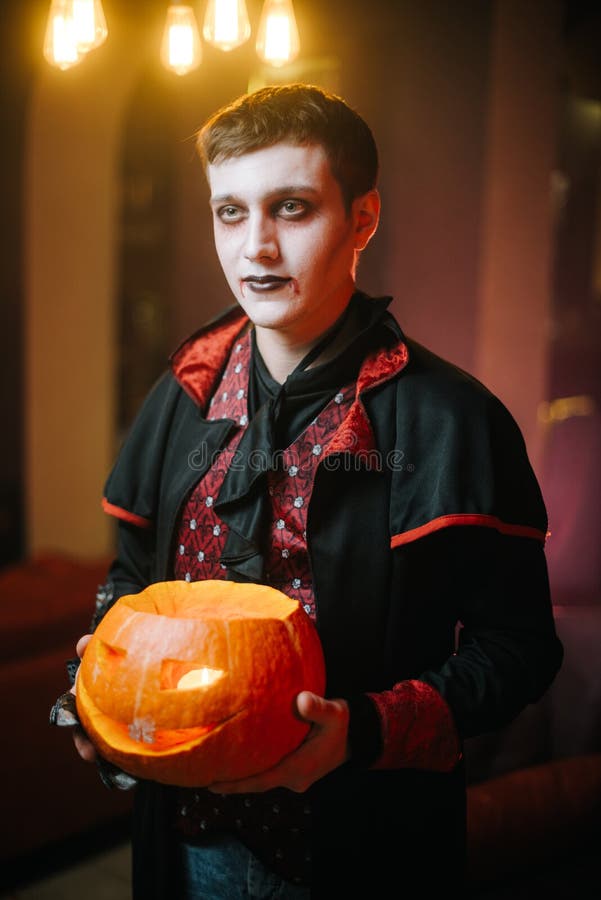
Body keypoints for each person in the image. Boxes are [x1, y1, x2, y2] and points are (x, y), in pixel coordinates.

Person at [56, 83, 563, 898]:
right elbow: (128, 580)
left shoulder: (448, 417)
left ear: (361, 219)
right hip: (180, 833)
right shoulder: (183, 393)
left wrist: (360, 732)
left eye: (290, 208)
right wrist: (106, 681)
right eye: (230, 212)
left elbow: (518, 651)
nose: (255, 247)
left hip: (362, 843)